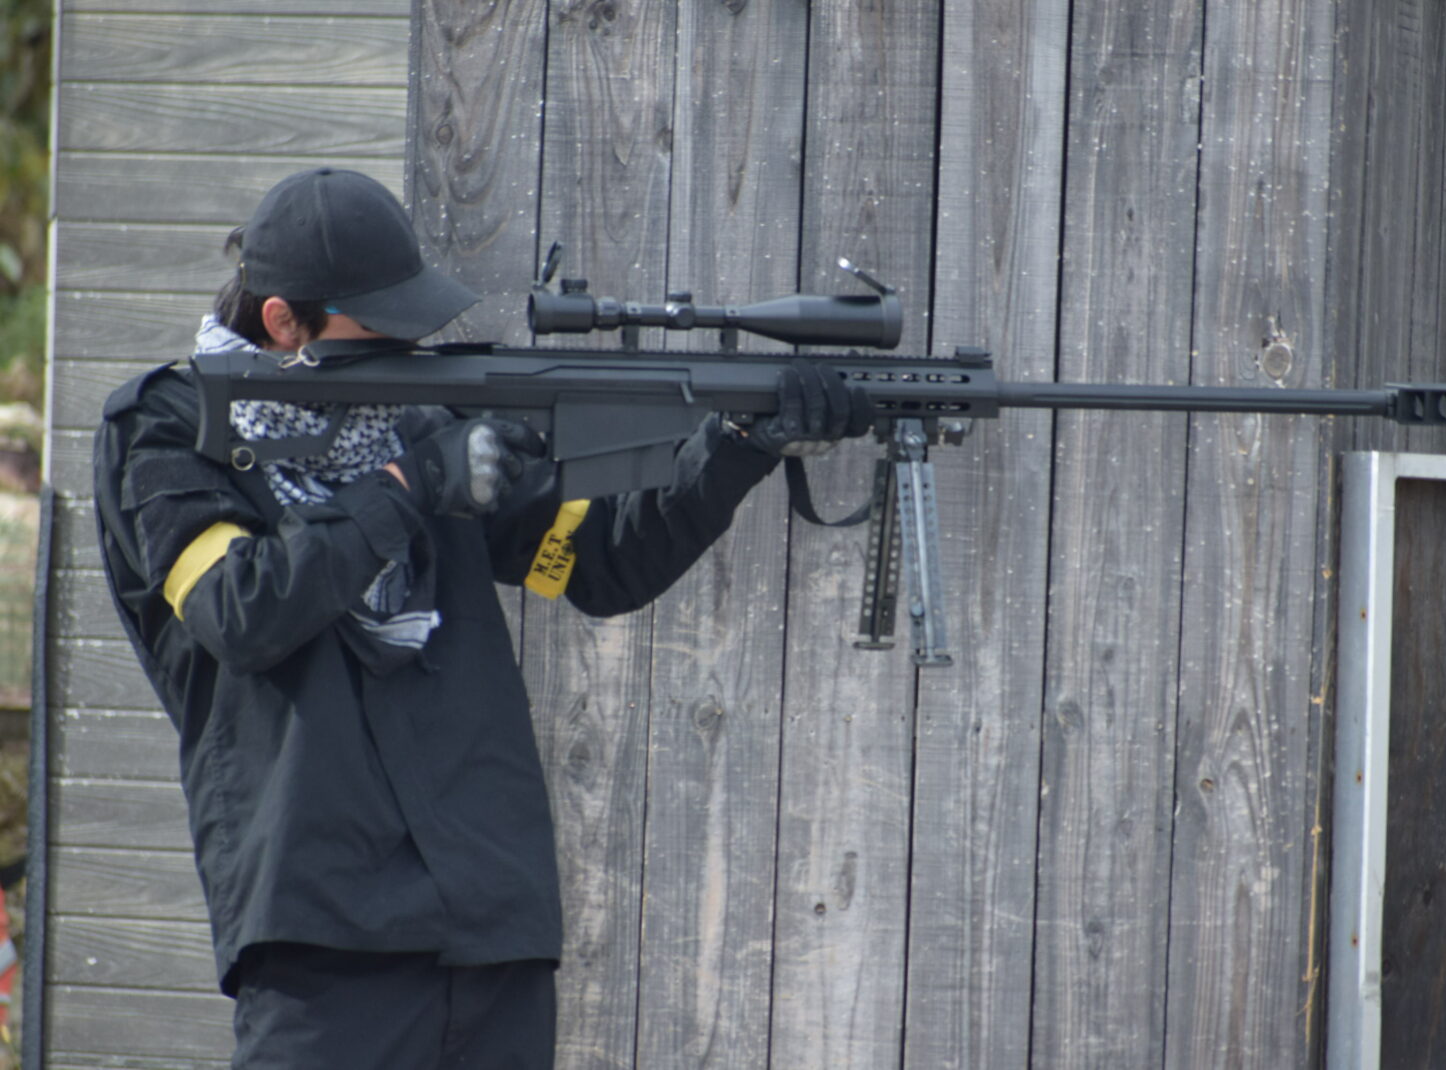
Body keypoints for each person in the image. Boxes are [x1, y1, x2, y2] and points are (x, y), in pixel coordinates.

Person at [92, 167, 867, 1069]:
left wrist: (737, 444)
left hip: (491, 922)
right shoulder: (169, 426)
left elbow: (604, 562)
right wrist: (409, 485)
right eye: (380, 325)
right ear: (283, 323)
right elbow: (241, 609)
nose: (410, 344)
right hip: (320, 935)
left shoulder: (419, 422)